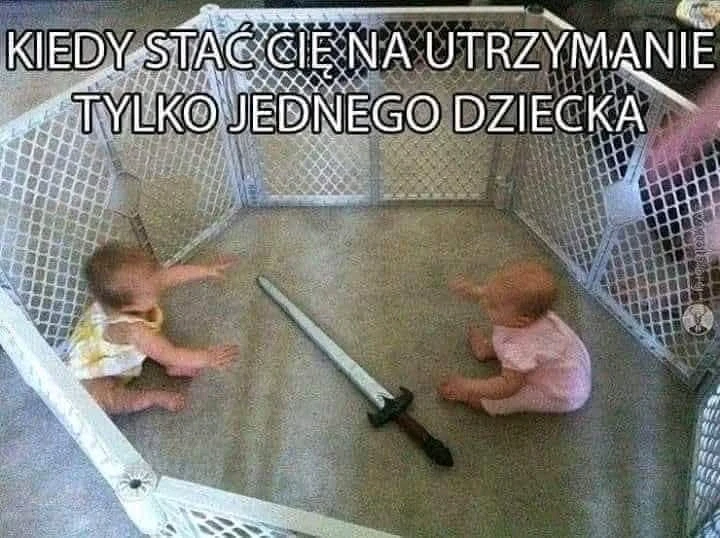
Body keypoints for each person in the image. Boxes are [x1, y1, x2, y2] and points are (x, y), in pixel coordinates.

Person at [65, 242, 240, 415]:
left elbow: (170, 276)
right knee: (104, 401)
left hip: (116, 348)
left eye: (154, 275)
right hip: (94, 373)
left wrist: (206, 270)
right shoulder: (134, 330)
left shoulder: (140, 289)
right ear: (129, 307)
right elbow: (170, 353)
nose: (159, 284)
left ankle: (172, 367)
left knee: (155, 342)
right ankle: (151, 397)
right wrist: (208, 357)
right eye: (152, 290)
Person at [438, 260, 591, 415]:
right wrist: (475, 291)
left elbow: (507, 387)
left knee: (500, 400)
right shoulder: (527, 312)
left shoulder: (520, 347)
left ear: (521, 320)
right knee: (508, 340)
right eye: (488, 295)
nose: (484, 304)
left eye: (492, 305)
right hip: (569, 362)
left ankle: (473, 398)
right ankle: (487, 350)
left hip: (563, 392)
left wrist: (469, 386)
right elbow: (499, 294)